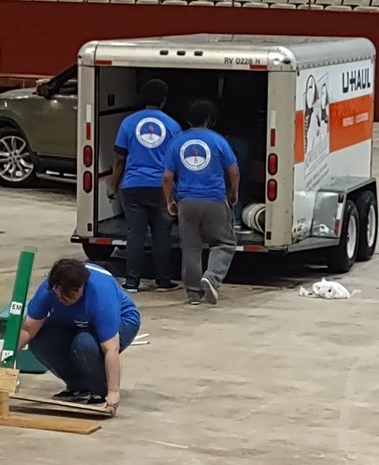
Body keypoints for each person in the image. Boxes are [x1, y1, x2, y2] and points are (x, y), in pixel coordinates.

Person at [17, 258, 141, 414]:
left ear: (81, 288)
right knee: (39, 338)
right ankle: (78, 385)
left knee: (84, 344)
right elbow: (28, 330)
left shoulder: (101, 295)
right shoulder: (47, 292)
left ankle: (99, 387)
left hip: (123, 320)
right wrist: (2, 361)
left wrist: (113, 392)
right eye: (59, 296)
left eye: (69, 297)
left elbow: (111, 349)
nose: (63, 300)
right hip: (75, 321)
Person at [162, 99, 240, 306]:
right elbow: (233, 171)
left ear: (187, 119)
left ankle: (193, 294)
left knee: (190, 247)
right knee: (224, 242)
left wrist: (169, 200)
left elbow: (168, 177)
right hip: (214, 199)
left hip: (186, 202)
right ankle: (212, 277)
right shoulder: (218, 141)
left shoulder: (176, 142)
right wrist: (233, 194)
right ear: (209, 119)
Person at [110, 79, 182, 293]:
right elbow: (176, 161)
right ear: (164, 99)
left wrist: (114, 185)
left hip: (132, 186)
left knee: (135, 234)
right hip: (161, 188)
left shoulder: (128, 123)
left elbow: (119, 158)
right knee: (162, 234)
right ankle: (163, 281)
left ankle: (132, 282)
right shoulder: (172, 125)